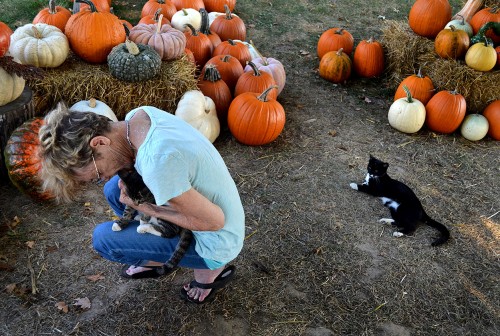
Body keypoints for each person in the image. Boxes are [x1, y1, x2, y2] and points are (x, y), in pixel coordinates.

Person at [38, 103, 245, 304]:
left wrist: (147, 209)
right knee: (112, 189)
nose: (104, 176)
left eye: (98, 173)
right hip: (209, 207)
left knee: (104, 240)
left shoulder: (156, 162)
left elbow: (214, 222)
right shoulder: (139, 116)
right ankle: (156, 249)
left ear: (99, 142)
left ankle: (209, 273)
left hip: (218, 239)